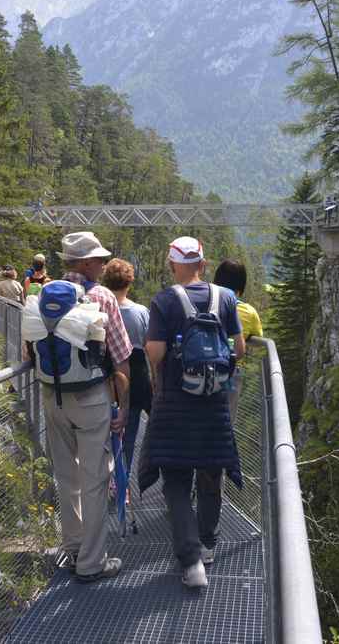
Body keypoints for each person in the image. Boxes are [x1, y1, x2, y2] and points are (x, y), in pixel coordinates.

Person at [139, 236, 245, 589]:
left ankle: (191, 561)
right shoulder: (226, 298)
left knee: (177, 479)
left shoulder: (165, 300)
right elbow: (239, 348)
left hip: (174, 405)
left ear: (172, 265)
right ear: (203, 262)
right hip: (214, 404)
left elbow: (154, 354)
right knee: (211, 471)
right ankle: (209, 543)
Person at [33, 232, 132, 583]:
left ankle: (72, 548)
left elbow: (29, 350)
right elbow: (121, 358)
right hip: (91, 398)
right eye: (99, 259)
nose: (104, 265)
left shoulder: (45, 294)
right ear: (85, 263)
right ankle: (92, 562)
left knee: (66, 475)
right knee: (94, 479)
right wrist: (123, 406)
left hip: (52, 396)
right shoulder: (102, 296)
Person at [102, 258, 151, 475]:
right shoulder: (141, 311)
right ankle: (123, 480)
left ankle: (102, 476)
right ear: (129, 282)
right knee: (129, 431)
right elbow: (150, 345)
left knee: (103, 428)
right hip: (137, 373)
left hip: (107, 373)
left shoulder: (99, 309)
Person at [212, 259, 262, 418]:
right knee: (226, 419)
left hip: (202, 366)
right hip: (232, 369)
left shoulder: (206, 302)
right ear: (241, 286)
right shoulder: (249, 312)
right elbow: (259, 339)